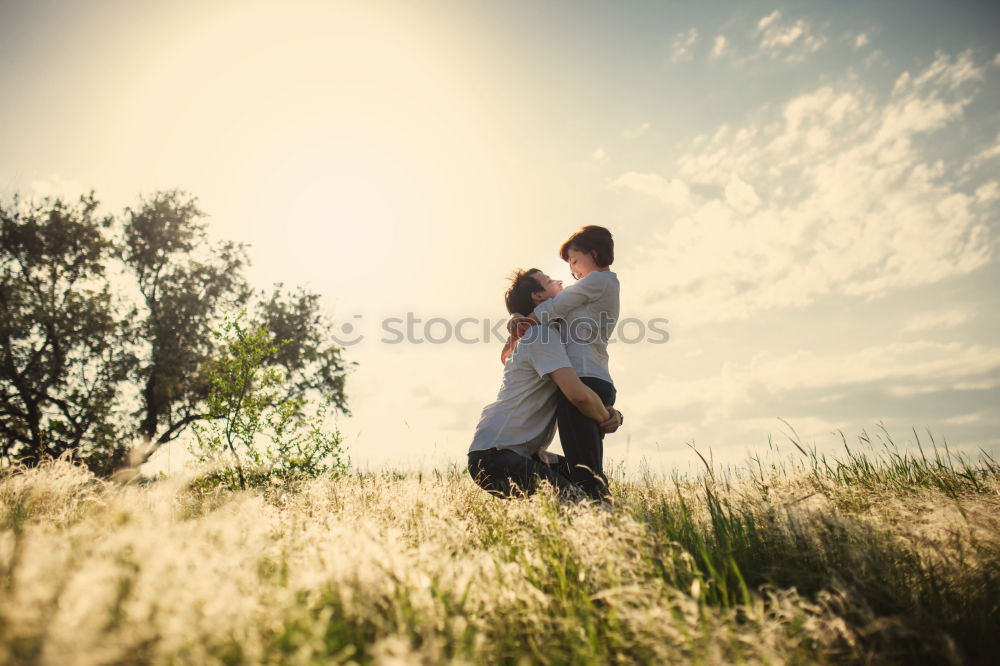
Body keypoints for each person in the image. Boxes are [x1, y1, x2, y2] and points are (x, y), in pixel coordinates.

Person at [468, 268, 623, 500]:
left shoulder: (544, 334)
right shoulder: (541, 336)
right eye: (550, 281)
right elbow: (578, 395)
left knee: (587, 482)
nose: (560, 281)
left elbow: (505, 356)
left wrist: (516, 327)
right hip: (497, 456)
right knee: (578, 502)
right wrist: (607, 418)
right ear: (538, 296)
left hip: (517, 454)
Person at [503, 226, 620, 500]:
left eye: (574, 260)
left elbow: (553, 307)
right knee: (587, 462)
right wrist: (514, 328)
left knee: (585, 468)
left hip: (584, 380)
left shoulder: (600, 281)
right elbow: (549, 320)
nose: (571, 270)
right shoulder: (589, 294)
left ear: (593, 253)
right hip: (590, 379)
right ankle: (602, 518)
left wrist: (523, 322)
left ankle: (603, 520)